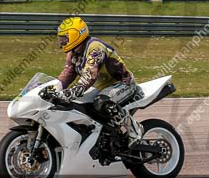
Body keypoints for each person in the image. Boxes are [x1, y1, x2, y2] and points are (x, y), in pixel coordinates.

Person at [39, 17, 142, 148]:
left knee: (101, 102)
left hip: (122, 83)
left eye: (65, 38)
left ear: (75, 35)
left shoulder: (95, 48)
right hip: (101, 87)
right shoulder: (73, 52)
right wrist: (54, 88)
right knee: (76, 106)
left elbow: (90, 75)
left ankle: (134, 129)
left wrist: (71, 92)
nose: (62, 42)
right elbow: (68, 73)